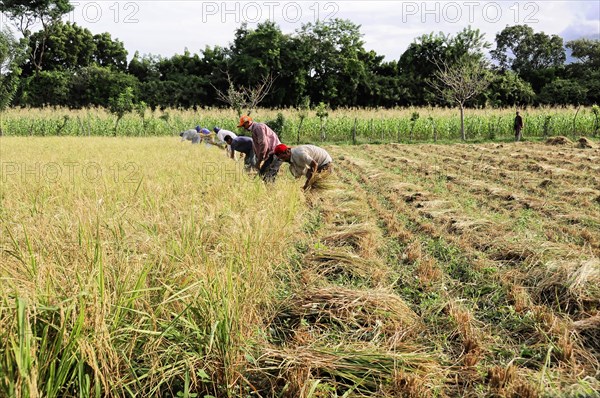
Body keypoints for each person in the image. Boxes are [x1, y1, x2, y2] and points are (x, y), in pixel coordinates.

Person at [237, 115, 282, 181]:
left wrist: (259, 160)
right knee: (263, 174)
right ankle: (271, 190)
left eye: (244, 126)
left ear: (248, 122)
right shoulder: (255, 129)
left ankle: (272, 190)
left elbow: (263, 144)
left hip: (276, 152)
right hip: (272, 153)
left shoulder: (258, 128)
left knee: (267, 176)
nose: (244, 128)